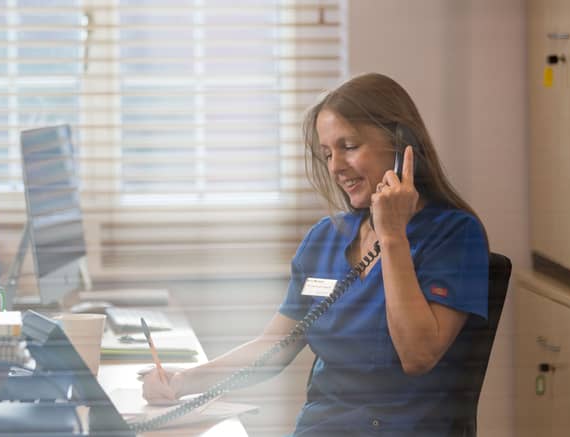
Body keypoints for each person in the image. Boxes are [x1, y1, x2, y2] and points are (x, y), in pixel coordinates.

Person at [141, 73, 489, 436]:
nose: (336, 166)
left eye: (349, 146)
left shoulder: (454, 235)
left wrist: (392, 237)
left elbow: (418, 355)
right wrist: (180, 382)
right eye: (327, 154)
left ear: (402, 146)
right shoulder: (326, 238)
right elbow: (273, 346)